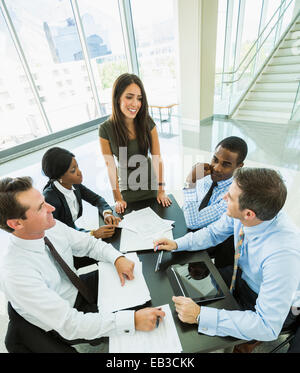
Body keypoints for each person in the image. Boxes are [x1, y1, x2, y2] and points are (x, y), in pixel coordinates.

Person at [0, 176, 165, 353]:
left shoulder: (50, 225)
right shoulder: (16, 273)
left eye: (44, 201)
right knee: (142, 327)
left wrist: (118, 258)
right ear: (16, 223)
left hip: (75, 288)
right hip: (63, 322)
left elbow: (89, 244)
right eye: (41, 208)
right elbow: (70, 324)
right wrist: (132, 321)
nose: (52, 208)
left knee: (145, 282)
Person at [154, 167, 300, 352]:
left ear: (248, 214)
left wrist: (200, 316)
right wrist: (177, 244)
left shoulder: (283, 255)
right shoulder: (251, 214)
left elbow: (267, 326)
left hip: (274, 303)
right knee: (177, 287)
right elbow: (213, 233)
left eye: (229, 197)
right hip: (243, 277)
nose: (224, 198)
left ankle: (247, 345)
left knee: (199, 336)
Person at [99, 73, 172, 214]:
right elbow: (110, 166)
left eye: (139, 98)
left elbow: (157, 157)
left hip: (151, 184)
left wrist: (161, 190)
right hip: (127, 187)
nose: (135, 104)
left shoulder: (147, 122)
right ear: (117, 97)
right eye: (129, 97)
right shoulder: (105, 129)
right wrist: (118, 198)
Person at [42, 147, 121, 269]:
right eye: (73, 170)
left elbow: (97, 199)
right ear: (60, 177)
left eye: (77, 166)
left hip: (76, 234)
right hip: (68, 249)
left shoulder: (74, 185)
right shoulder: (50, 199)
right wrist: (93, 233)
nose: (79, 172)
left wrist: (107, 213)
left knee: (112, 248)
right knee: (109, 254)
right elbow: (62, 235)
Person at [183, 136, 248, 268]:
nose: (217, 168)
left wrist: (190, 182)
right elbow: (189, 206)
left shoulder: (233, 194)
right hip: (193, 229)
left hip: (213, 240)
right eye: (215, 160)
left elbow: (193, 222)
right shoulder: (207, 175)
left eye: (226, 164)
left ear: (239, 166)